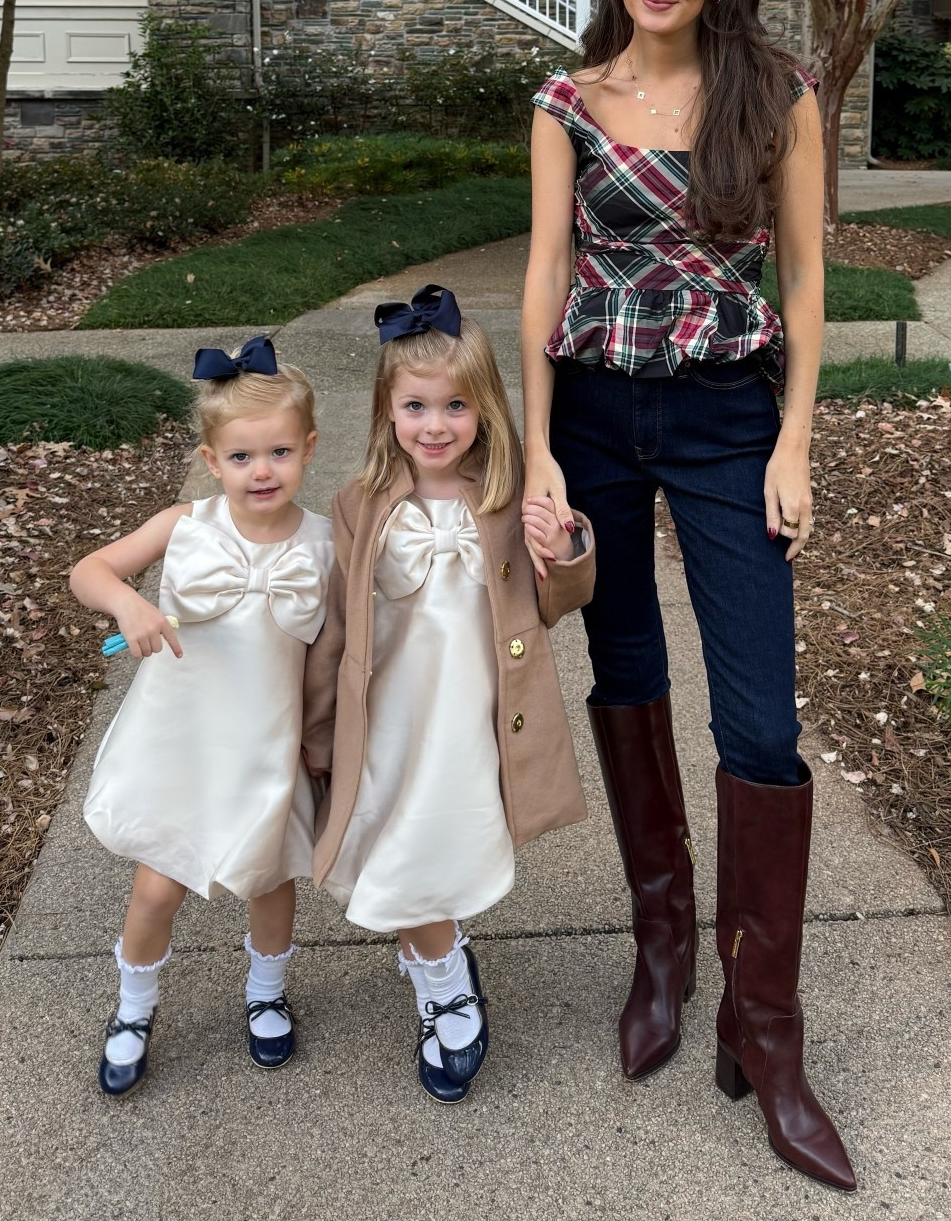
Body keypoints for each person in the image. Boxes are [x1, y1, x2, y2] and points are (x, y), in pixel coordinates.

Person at [521, 0, 854, 1190]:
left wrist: (795, 444)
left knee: (762, 726)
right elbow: (546, 272)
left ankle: (762, 1026)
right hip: (597, 416)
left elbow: (809, 276)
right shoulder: (568, 101)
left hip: (727, 420)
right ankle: (663, 944)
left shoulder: (777, 96)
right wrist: (540, 447)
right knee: (629, 676)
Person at [303, 284, 595, 1102]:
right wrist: (318, 729)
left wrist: (564, 548)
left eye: (456, 405)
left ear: (486, 408)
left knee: (427, 848)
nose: (436, 425)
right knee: (391, 848)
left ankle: (438, 960)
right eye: (416, 406)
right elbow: (333, 627)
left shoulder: (504, 502)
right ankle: (445, 979)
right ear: (387, 412)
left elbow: (555, 604)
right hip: (388, 720)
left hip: (469, 721)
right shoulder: (359, 505)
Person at [72, 340, 331, 1097]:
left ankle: (266, 992)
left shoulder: (324, 543)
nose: (262, 470)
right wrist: (130, 601)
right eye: (242, 456)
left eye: (280, 452)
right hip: (185, 743)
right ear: (211, 460)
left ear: (308, 450)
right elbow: (89, 569)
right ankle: (133, 1007)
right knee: (157, 888)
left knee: (270, 878)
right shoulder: (185, 524)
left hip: (265, 744)